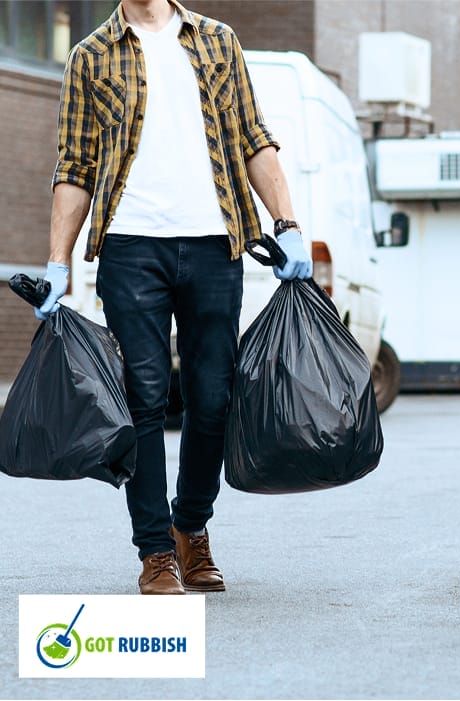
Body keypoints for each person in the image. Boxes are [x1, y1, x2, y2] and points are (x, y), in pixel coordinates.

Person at [37, 0, 312, 594]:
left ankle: (193, 527)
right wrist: (57, 262)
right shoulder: (91, 54)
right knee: (145, 395)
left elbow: (253, 140)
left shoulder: (218, 41)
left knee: (212, 397)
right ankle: (156, 549)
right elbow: (75, 165)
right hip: (131, 246)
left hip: (216, 242)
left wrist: (288, 224)